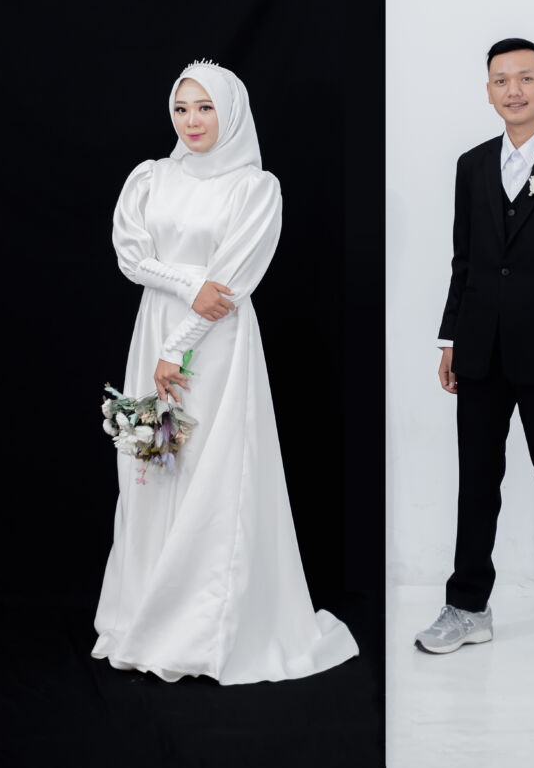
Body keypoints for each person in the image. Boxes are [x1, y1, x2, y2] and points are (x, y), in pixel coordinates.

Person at [92, 60, 358, 683]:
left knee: (210, 466)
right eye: (182, 108)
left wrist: (177, 348)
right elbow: (131, 255)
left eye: (205, 108)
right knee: (150, 462)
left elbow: (229, 288)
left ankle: (200, 626)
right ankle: (141, 609)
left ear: (231, 112)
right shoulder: (151, 177)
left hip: (213, 344)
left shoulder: (254, 188)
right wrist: (187, 285)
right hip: (154, 329)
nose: (192, 121)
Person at [415, 38, 534, 675]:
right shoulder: (472, 165)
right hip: (479, 353)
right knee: (477, 484)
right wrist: (450, 338)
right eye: (501, 80)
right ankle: (468, 608)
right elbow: (465, 260)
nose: (514, 90)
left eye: (526, 78)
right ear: (488, 91)